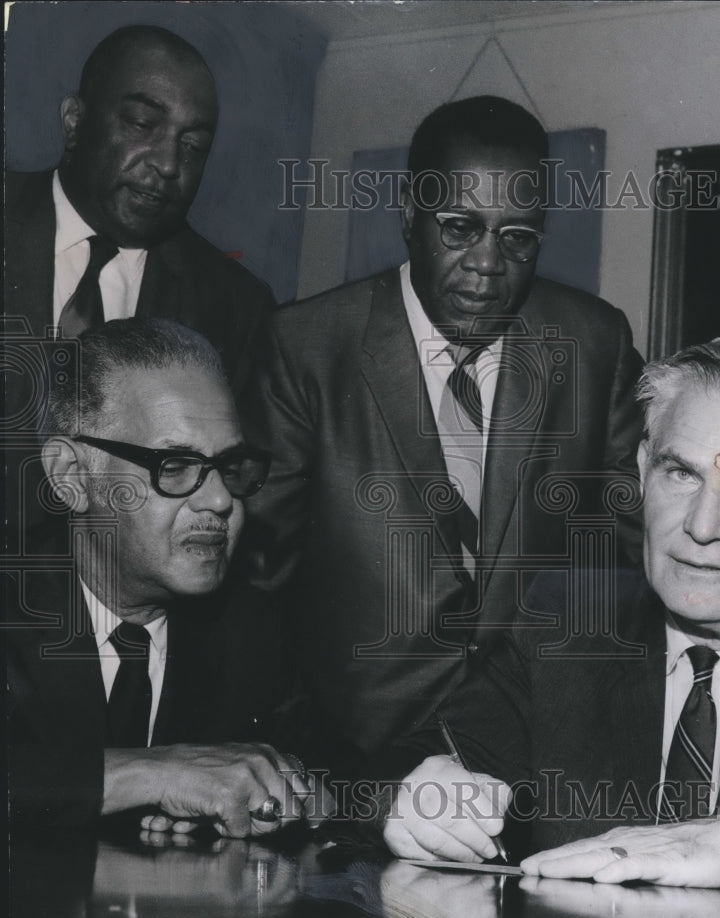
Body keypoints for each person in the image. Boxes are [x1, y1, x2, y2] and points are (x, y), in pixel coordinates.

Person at [378, 336, 720, 894]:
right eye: (681, 474)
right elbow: (414, 759)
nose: (703, 526)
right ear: (641, 473)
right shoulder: (566, 621)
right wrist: (413, 799)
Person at [241, 95, 644, 755]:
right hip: (353, 764)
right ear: (408, 217)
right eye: (459, 227)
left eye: (516, 238)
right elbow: (256, 587)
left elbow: (646, 548)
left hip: (535, 763)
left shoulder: (593, 343)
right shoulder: (306, 346)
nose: (487, 265)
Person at [6, 318, 313, 838]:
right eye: (175, 465)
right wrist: (153, 772)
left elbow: (331, 774)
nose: (220, 500)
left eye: (231, 466)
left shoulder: (252, 628)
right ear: (71, 477)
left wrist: (276, 801)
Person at [4, 24, 274, 545]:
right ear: (75, 121)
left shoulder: (235, 306)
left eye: (193, 147)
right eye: (143, 123)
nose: (169, 164)